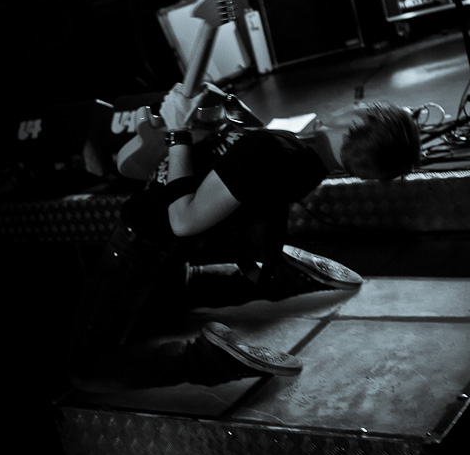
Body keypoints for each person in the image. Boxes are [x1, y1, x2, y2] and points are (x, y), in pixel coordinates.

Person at [68, 82, 421, 393]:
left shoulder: (270, 150)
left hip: (142, 245)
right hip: (171, 255)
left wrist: (177, 131)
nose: (353, 104)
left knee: (86, 370)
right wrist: (221, 112)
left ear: (357, 122)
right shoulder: (306, 166)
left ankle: (210, 360)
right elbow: (239, 162)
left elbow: (184, 221)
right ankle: (283, 276)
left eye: (360, 106)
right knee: (171, 299)